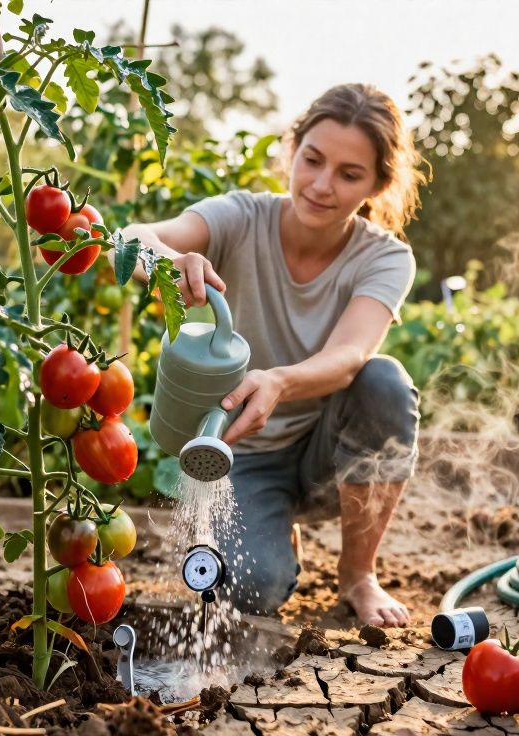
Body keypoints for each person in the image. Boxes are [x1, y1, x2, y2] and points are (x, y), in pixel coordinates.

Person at [118, 83, 424, 628]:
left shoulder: (384, 257)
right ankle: (274, 528)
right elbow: (133, 236)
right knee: (254, 589)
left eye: (350, 174)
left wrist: (280, 381)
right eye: (313, 160)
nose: (322, 185)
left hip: (329, 456)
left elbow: (351, 354)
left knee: (384, 382)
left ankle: (357, 574)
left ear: (377, 183)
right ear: (293, 148)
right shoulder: (240, 217)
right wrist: (167, 261)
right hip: (243, 453)